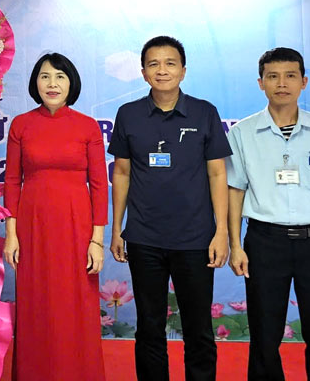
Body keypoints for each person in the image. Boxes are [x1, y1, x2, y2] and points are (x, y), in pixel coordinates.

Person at [226, 48, 310, 381]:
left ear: (304, 82)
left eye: (290, 76)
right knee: (264, 337)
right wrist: (235, 245)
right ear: (261, 83)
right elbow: (235, 191)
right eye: (273, 76)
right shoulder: (242, 133)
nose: (281, 83)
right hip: (265, 243)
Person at [108, 36, 230, 381]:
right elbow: (122, 172)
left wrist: (221, 231)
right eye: (154, 64)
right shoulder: (129, 114)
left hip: (195, 239)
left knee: (198, 328)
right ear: (144, 72)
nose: (162, 70)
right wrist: (117, 229)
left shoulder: (204, 112)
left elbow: (217, 173)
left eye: (170, 63)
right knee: (149, 327)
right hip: (144, 238)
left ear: (183, 71)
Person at [3, 53, 107, 380]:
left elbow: (99, 185)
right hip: (33, 227)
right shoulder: (21, 124)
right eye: (45, 76)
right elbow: (12, 181)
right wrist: (11, 235)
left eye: (60, 77)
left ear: (71, 83)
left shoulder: (87, 126)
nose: (52, 84)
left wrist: (97, 241)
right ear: (35, 82)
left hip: (77, 227)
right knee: (37, 304)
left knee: (75, 305)